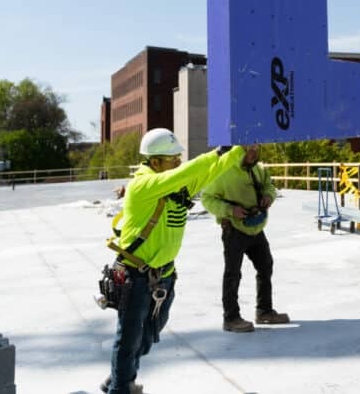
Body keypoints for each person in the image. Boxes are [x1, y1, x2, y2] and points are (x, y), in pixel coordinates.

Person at [102, 129, 258, 394]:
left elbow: (210, 172)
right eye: (172, 158)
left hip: (164, 275)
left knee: (150, 334)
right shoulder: (142, 187)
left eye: (179, 158)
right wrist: (216, 152)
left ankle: (119, 374)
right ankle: (121, 386)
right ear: (154, 161)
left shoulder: (175, 187)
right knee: (128, 338)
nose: (178, 162)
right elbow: (186, 173)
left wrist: (237, 151)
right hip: (136, 275)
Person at [201, 148, 288, 332]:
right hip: (234, 231)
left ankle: (264, 312)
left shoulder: (258, 169)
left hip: (256, 228)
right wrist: (230, 210)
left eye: (255, 149)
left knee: (266, 265)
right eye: (248, 150)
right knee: (233, 273)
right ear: (238, 150)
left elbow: (269, 186)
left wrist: (268, 196)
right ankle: (231, 318)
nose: (253, 153)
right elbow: (207, 199)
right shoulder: (223, 171)